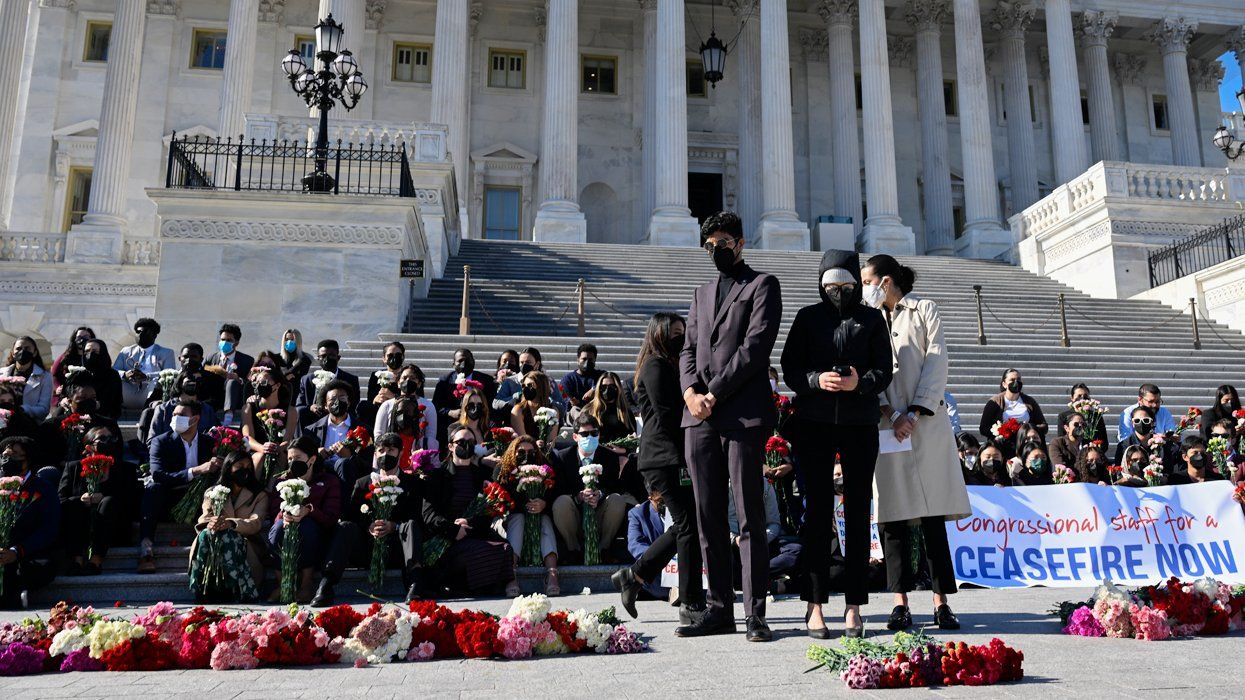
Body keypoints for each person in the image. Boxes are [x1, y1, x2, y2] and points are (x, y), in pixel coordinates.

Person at [678, 211, 784, 642]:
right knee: (707, 516)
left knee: (748, 515)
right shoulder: (700, 293)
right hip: (698, 417)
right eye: (709, 245)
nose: (715, 251)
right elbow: (686, 349)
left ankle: (755, 613)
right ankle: (719, 608)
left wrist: (713, 392)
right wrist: (689, 393)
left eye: (722, 242)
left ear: (739, 243)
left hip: (740, 413)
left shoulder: (762, 285)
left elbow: (755, 348)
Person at [781, 249, 890, 639]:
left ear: (857, 286)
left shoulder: (871, 318)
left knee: (860, 512)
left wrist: (859, 382)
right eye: (831, 286)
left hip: (859, 422)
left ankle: (854, 606)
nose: (838, 293)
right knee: (817, 512)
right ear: (821, 284)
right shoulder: (808, 317)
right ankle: (814, 605)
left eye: (845, 286)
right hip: (814, 421)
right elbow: (790, 366)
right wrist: (815, 380)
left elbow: (885, 369)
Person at [861, 254, 970, 633]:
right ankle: (899, 602)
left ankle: (942, 602)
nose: (865, 289)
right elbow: (866, 370)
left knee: (931, 514)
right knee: (892, 514)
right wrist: (890, 413)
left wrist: (915, 411)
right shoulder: (868, 318)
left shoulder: (924, 310)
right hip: (886, 424)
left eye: (868, 281)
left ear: (886, 281)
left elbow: (936, 360)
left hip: (925, 423)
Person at [613, 312, 705, 623]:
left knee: (687, 525)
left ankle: (636, 575)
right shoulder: (654, 365)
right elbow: (668, 415)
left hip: (672, 456)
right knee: (688, 526)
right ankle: (691, 602)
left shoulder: (670, 364)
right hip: (663, 457)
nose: (681, 337)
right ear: (660, 334)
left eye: (683, 331)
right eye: (675, 332)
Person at [312, 432, 424, 605]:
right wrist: (368, 526)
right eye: (381, 450)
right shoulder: (363, 483)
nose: (385, 455)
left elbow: (417, 517)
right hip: (367, 548)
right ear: (375, 454)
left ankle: (415, 584)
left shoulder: (412, 483)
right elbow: (350, 516)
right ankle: (326, 585)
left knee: (410, 525)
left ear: (401, 453)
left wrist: (394, 526)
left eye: (391, 450)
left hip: (397, 548)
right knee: (346, 527)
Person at [420, 427, 517, 597]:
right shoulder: (438, 476)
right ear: (450, 446)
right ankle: (464, 585)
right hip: (446, 537)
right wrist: (453, 528)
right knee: (474, 552)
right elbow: (429, 514)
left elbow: (488, 513)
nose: (466, 445)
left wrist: (468, 524)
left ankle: (478, 586)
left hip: (474, 534)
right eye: (461, 442)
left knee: (505, 549)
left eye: (471, 442)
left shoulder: (481, 475)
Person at [140, 399, 220, 573]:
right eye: (174, 414)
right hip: (169, 497)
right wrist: (196, 471)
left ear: (195, 419)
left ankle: (212, 548)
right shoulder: (161, 441)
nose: (176, 418)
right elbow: (158, 475)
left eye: (182, 415)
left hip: (200, 500)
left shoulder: (209, 443)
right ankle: (146, 550)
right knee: (153, 489)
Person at [551, 414, 642, 563]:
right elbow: (559, 489)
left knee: (617, 500)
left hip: (599, 514)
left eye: (594, 433)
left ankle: (604, 549)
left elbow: (614, 486)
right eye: (584, 434)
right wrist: (579, 496)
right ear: (575, 437)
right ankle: (573, 549)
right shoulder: (563, 457)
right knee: (561, 502)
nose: (590, 437)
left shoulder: (609, 457)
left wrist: (599, 494)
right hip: (575, 516)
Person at [267, 435, 342, 603]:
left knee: (306, 525)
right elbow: (273, 512)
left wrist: (308, 511)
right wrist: (284, 515)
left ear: (312, 459)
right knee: (279, 527)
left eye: (298, 458)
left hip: (317, 534)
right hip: (287, 529)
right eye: (290, 458)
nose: (293, 462)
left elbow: (331, 518)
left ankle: (306, 585)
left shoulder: (328, 481)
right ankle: (282, 584)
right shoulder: (282, 481)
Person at [188, 451, 269, 603]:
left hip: (246, 542)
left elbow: (256, 522)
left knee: (229, 536)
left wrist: (231, 523)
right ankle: (204, 587)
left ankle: (234, 588)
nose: (244, 470)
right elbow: (204, 517)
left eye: (248, 467)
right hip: (214, 537)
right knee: (206, 534)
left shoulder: (259, 494)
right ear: (228, 468)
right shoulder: (213, 492)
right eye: (239, 466)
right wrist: (212, 522)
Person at [58, 425, 138, 576]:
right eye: (102, 438)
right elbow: (60, 500)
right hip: (79, 527)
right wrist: (80, 499)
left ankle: (95, 561)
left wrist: (104, 496)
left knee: (108, 502)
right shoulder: (73, 467)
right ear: (89, 446)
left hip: (112, 527)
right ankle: (76, 560)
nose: (108, 442)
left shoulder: (126, 469)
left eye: (111, 438)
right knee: (74, 504)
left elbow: (131, 502)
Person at [493, 436, 559, 595]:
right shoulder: (502, 470)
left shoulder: (544, 469)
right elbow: (500, 501)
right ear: (512, 453)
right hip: (509, 519)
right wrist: (524, 505)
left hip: (539, 517)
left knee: (545, 520)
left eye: (531, 452)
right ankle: (511, 573)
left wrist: (543, 503)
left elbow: (556, 491)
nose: (526, 455)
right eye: (521, 452)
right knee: (519, 519)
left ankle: (552, 573)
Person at [0, 436, 60, 609]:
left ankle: (16, 590)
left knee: (44, 567)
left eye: (14, 456)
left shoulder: (43, 488)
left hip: (26, 554)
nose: (7, 461)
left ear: (27, 460)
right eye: (5, 455)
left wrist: (16, 551)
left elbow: (48, 529)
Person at [241, 364, 300, 481]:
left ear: (277, 385)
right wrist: (263, 448)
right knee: (260, 457)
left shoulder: (290, 411)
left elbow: (287, 440)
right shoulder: (249, 407)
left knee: (282, 457)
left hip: (278, 451)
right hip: (256, 450)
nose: (259, 386)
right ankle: (254, 490)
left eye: (263, 383)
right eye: (256, 383)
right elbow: (247, 438)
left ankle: (272, 492)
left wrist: (277, 448)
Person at [431, 349, 498, 446]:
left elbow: (492, 405)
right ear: (453, 364)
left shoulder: (486, 380)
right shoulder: (445, 382)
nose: (464, 363)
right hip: (453, 426)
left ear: (473, 362)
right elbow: (436, 406)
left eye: (467, 360)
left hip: (479, 426)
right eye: (460, 361)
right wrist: (450, 412)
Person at [304, 380, 363, 485]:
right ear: (325, 405)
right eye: (333, 399)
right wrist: (316, 453)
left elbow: (367, 462)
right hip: (321, 472)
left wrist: (349, 456)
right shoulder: (312, 430)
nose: (337, 402)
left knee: (343, 463)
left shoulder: (361, 429)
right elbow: (303, 456)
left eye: (342, 398)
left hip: (348, 475)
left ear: (348, 402)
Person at [112, 317, 177, 411]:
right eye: (138, 332)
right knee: (114, 380)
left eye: (145, 332)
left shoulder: (166, 353)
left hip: (150, 392)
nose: (140, 334)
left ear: (154, 335)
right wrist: (125, 374)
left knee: (157, 381)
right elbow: (114, 371)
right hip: (128, 391)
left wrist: (147, 376)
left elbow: (169, 374)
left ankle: (150, 409)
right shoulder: (126, 351)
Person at [373, 364, 438, 456]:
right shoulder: (387, 405)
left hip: (417, 452)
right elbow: (379, 434)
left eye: (413, 378)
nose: (408, 381)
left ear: (419, 384)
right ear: (398, 382)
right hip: (390, 453)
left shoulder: (428, 406)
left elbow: (431, 435)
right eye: (404, 378)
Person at [145, 368, 219, 444]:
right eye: (190, 381)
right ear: (180, 383)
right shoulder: (163, 409)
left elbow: (215, 437)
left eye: (198, 381)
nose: (194, 384)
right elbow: (152, 441)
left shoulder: (207, 410)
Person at [296, 339, 361, 422]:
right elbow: (299, 405)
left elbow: (354, 406)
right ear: (318, 358)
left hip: (340, 418)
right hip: (314, 419)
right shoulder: (307, 380)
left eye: (331, 355)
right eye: (323, 356)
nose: (326, 359)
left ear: (338, 358)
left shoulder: (350, 380)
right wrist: (311, 407)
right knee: (300, 412)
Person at [625, 491, 672, 601]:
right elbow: (635, 545)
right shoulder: (637, 513)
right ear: (650, 497)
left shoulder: (682, 510)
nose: (665, 505)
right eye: (660, 501)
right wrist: (664, 557)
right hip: (658, 570)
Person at [205, 323, 256, 424]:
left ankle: (228, 417)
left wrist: (239, 379)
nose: (224, 342)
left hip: (236, 398)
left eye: (229, 340)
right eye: (223, 339)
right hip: (214, 397)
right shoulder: (211, 358)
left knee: (232, 382)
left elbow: (251, 383)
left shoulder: (247, 360)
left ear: (236, 343)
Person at [978, 369, 1047, 442]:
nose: (1016, 382)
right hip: (1003, 443)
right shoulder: (995, 402)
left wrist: (1028, 430)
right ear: (1004, 384)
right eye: (1012, 380)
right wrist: (999, 433)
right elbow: (983, 428)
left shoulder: (1030, 401)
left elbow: (1043, 425)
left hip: (1026, 442)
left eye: (1018, 379)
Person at [1114, 405, 1178, 473]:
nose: (1141, 423)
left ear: (1152, 423)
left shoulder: (1161, 444)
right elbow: (1119, 470)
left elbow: (1168, 469)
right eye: (1137, 420)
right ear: (1132, 423)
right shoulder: (1124, 445)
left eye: (1146, 420)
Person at [1, 336, 52, 420]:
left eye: (27, 348)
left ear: (34, 353)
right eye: (18, 348)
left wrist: (23, 409)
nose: (22, 351)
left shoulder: (45, 377)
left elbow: (44, 409)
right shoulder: (1, 373)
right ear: (13, 353)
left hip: (27, 423)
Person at [583, 371, 637, 445]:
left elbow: (632, 438)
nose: (607, 390)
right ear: (599, 388)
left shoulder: (625, 412)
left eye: (612, 387)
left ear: (617, 388)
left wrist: (623, 450)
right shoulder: (589, 410)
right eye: (603, 387)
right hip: (596, 452)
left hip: (619, 453)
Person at [510, 370, 559, 448]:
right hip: (525, 450)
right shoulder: (518, 410)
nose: (525, 389)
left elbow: (551, 441)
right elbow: (522, 439)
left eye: (530, 385)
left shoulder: (552, 410)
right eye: (523, 386)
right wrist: (535, 444)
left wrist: (547, 445)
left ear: (541, 387)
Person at [1055, 384, 1109, 449]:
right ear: (1072, 398)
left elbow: (1104, 441)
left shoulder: (1096, 416)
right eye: (1079, 396)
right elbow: (1061, 439)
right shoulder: (1064, 416)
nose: (1082, 399)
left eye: (1085, 396)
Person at [79, 338, 122, 419]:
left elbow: (111, 402)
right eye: (87, 351)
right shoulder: (80, 374)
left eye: (94, 351)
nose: (90, 354)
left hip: (103, 415)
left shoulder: (112, 375)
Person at [51, 326, 95, 397]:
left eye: (86, 336)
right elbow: (53, 375)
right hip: (68, 395)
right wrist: (57, 387)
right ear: (74, 339)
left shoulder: (94, 357)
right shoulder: (65, 357)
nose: (83, 339)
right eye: (79, 336)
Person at [560, 343, 602, 413]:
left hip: (596, 412)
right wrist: (570, 401)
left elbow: (612, 380)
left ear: (595, 360)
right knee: (575, 410)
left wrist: (594, 389)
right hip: (576, 416)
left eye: (590, 359)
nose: (587, 362)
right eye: (584, 359)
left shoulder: (601, 376)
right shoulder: (568, 379)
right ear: (578, 359)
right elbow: (563, 397)